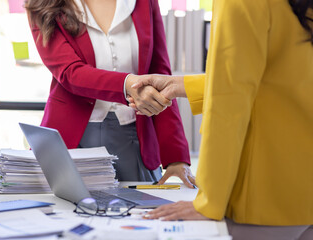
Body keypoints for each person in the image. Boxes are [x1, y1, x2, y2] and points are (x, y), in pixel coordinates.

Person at [129, 0, 313, 239]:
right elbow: (284, 80)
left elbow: (229, 105)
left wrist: (209, 202)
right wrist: (182, 84)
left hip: (264, 197)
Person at [24, 0, 196, 187]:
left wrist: (176, 157)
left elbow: (161, 74)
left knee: (144, 212)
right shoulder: (41, 4)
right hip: (70, 140)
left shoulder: (144, 3)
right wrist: (127, 84)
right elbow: (69, 72)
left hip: (136, 138)